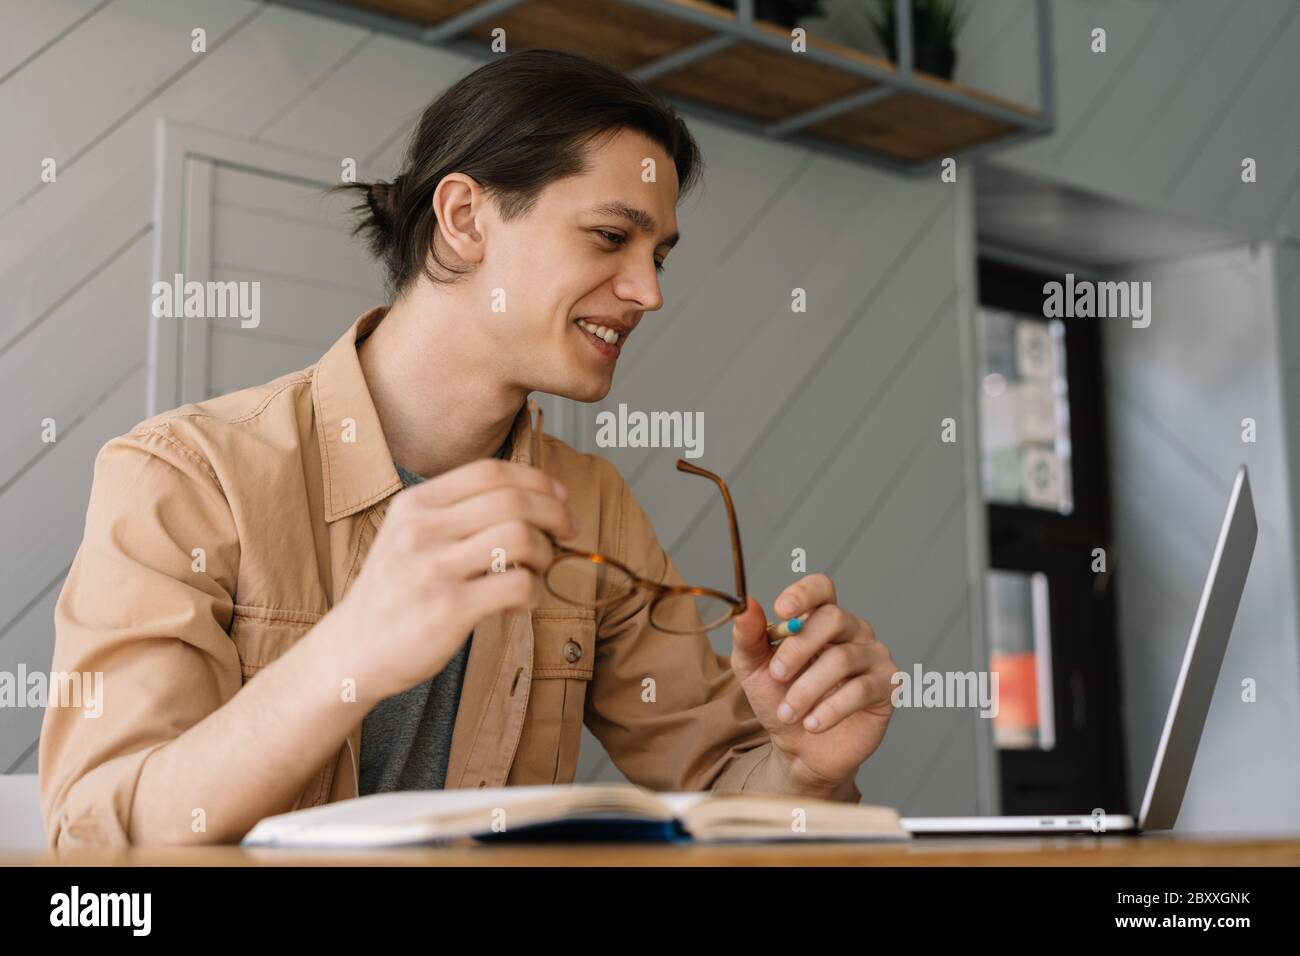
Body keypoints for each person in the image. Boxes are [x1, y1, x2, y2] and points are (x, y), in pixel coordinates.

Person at [40, 49, 898, 847]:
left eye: (659, 255)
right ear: (463, 218)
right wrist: (354, 647)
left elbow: (720, 787)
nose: (647, 291)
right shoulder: (186, 478)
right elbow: (103, 834)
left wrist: (806, 765)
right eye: (610, 237)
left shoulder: (593, 508)